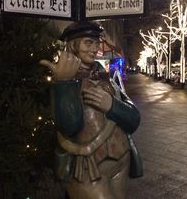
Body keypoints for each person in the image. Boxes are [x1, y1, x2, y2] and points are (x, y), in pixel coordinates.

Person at [40, 21, 142, 199]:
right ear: (73, 45)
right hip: (86, 166)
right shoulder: (63, 79)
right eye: (88, 42)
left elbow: (134, 119)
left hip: (120, 159)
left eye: (96, 43)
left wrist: (112, 106)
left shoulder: (106, 78)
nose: (95, 48)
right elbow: (69, 126)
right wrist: (65, 84)